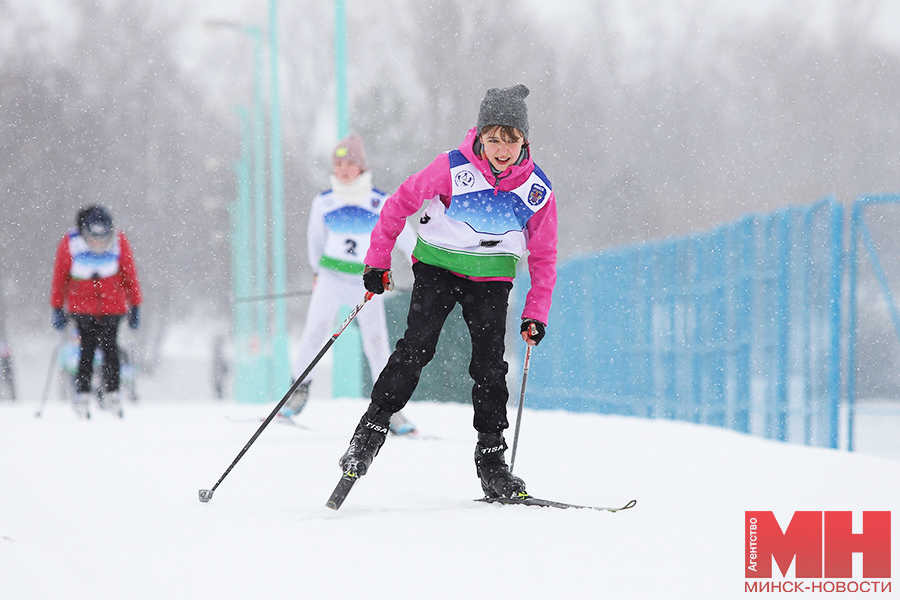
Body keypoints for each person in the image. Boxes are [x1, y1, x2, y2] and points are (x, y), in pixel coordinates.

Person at [337, 84, 558, 499]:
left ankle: (492, 461)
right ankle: (368, 433)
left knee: (489, 366)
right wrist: (377, 261)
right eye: (494, 139)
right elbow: (397, 205)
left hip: (492, 279)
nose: (502, 149)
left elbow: (545, 257)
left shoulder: (537, 191)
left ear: (525, 141)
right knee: (416, 348)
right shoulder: (452, 168)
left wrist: (536, 313)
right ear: (479, 135)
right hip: (438, 267)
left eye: (511, 140)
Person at [282, 133, 418, 434]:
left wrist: (422, 270)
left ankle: (390, 409)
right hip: (331, 277)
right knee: (314, 331)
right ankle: (298, 390)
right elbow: (315, 242)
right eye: (338, 163)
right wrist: (317, 271)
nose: (343, 169)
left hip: (366, 281)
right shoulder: (324, 202)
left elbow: (407, 239)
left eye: (350, 163)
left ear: (361, 166)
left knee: (376, 341)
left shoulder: (380, 201)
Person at [50, 205, 141, 418]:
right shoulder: (70, 244)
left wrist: (135, 305)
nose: (99, 243)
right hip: (82, 308)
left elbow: (130, 276)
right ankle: (82, 394)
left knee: (111, 351)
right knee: (87, 350)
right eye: (93, 238)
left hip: (113, 307)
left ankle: (113, 393)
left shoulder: (120, 243)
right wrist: (57, 308)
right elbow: (60, 278)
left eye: (103, 238)